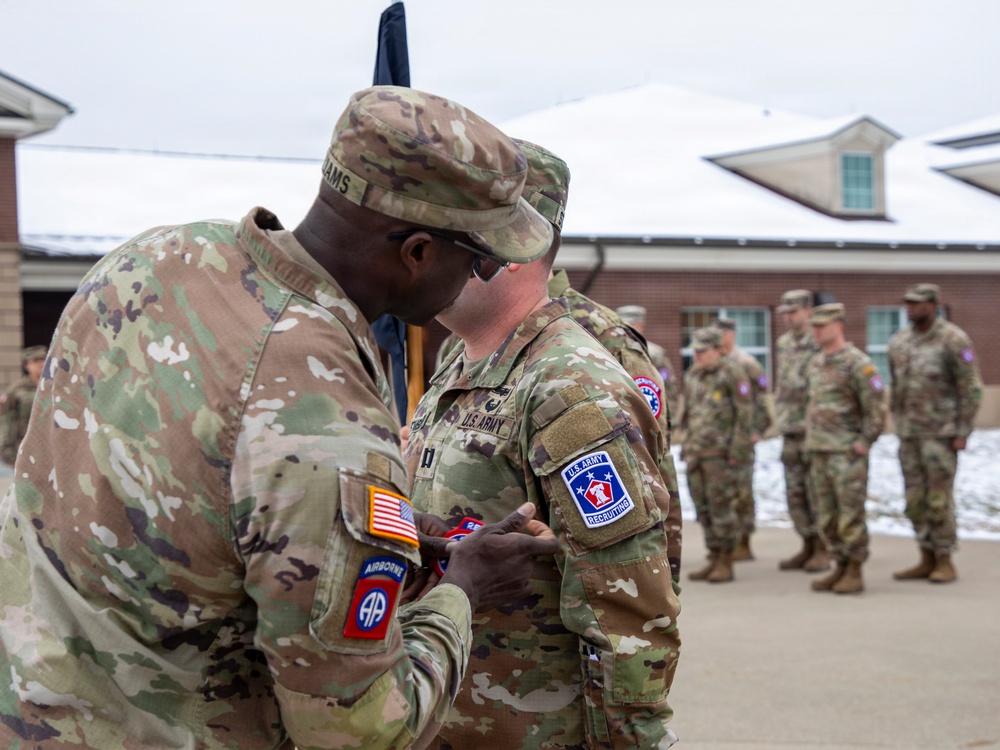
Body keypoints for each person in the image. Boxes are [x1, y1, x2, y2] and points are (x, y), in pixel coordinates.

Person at [0, 86, 563, 749]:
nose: (483, 273)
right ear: (417, 253)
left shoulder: (156, 260)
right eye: (479, 256)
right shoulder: (332, 428)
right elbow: (358, 731)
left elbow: (192, 475)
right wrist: (464, 590)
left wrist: (376, 531)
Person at [403, 140, 680, 749]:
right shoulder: (458, 363)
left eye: (445, 234)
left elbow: (626, 605)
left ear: (507, 249)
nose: (419, 255)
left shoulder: (569, 387)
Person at [887, 283, 982, 583]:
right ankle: (925, 556)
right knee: (915, 499)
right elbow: (896, 386)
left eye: (917, 303)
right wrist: (897, 422)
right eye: (908, 303)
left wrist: (962, 430)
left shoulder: (953, 339)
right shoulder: (899, 341)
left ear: (934, 305)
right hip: (910, 435)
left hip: (940, 435)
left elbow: (971, 388)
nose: (911, 308)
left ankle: (944, 559)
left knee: (938, 500)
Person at [805, 303, 887, 595]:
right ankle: (839, 564)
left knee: (850, 513)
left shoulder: (858, 363)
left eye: (822, 326)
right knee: (826, 515)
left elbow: (876, 408)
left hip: (846, 453)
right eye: (814, 327)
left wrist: (864, 442)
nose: (816, 332)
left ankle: (854, 569)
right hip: (820, 450)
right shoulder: (817, 362)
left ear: (838, 326)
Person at [681, 327, 753, 584]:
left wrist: (738, 450)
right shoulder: (693, 374)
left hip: (721, 455)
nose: (697, 356)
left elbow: (744, 414)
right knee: (703, 508)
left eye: (702, 351)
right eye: (695, 351)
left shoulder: (732, 373)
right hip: (697, 452)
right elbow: (689, 412)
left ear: (717, 350)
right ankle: (713, 555)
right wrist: (686, 443)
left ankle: (725, 559)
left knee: (722, 508)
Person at [773, 291, 829, 572]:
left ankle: (823, 547)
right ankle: (807, 543)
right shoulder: (783, 343)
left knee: (816, 491)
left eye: (793, 312)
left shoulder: (818, 341)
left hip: (814, 429)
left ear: (809, 311)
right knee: (795, 493)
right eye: (785, 312)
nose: (787, 317)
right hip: (791, 428)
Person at [714, 317, 773, 560]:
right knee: (723, 493)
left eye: (720, 334)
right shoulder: (716, 362)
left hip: (742, 439)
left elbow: (763, 399)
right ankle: (726, 542)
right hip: (720, 440)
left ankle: (745, 542)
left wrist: (757, 430)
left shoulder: (747, 363)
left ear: (731, 335)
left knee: (742, 493)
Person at [616, 303, 680, 419]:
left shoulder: (655, 354)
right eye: (622, 326)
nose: (625, 331)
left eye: (630, 326)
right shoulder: (612, 352)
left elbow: (669, 390)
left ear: (640, 326)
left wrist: (670, 420)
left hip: (650, 416)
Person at [0, 345, 47, 465]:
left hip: (50, 445)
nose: (40, 364)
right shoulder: (16, 390)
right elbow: (7, 420)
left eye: (43, 360)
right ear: (26, 365)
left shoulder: (55, 387)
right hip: (25, 446)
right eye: (35, 361)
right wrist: (6, 448)